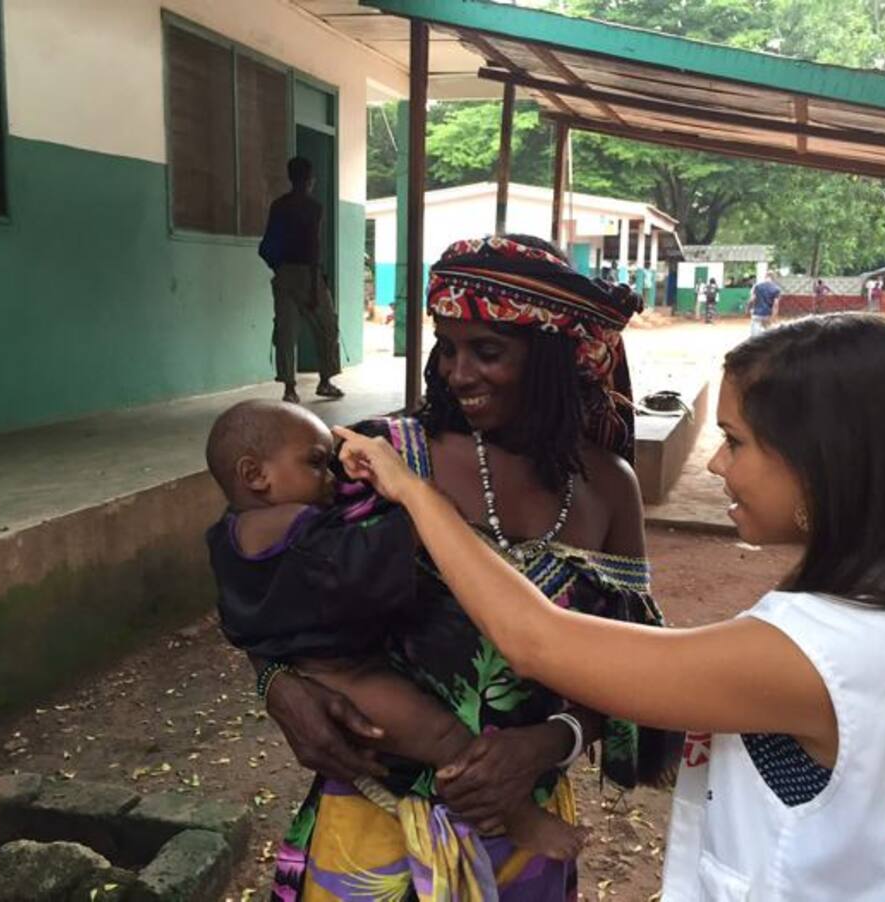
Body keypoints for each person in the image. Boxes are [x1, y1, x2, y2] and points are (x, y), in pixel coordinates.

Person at [336, 313, 885, 900]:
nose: (719, 465)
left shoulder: (820, 653)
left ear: (822, 463)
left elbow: (535, 641)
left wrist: (413, 493)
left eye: (736, 440)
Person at [255, 234, 679, 900]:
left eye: (488, 352)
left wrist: (550, 743)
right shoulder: (380, 458)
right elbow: (269, 589)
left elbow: (633, 669)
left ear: (550, 358)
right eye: (447, 347)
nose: (458, 373)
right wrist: (277, 686)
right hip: (372, 824)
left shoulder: (606, 487)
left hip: (524, 839)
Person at [203, 400, 584, 865]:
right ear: (256, 475)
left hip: (319, 671)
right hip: (347, 680)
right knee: (442, 735)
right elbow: (361, 558)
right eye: (316, 463)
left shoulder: (227, 535)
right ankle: (516, 816)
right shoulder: (295, 526)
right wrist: (423, 510)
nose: (331, 479)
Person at [260, 156, 343, 404]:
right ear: (309, 180)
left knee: (286, 332)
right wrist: (316, 288)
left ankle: (289, 388)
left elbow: (265, 247)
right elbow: (313, 247)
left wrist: (279, 269)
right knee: (327, 328)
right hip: (308, 275)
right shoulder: (313, 208)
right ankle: (325, 381)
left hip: (285, 275)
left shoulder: (278, 206)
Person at [747, 269, 781, 335]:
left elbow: (752, 299)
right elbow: (776, 305)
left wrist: (748, 308)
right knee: (769, 335)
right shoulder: (776, 289)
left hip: (757, 314)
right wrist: (773, 317)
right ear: (774, 278)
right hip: (767, 314)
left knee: (754, 337)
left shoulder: (758, 286)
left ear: (765, 276)